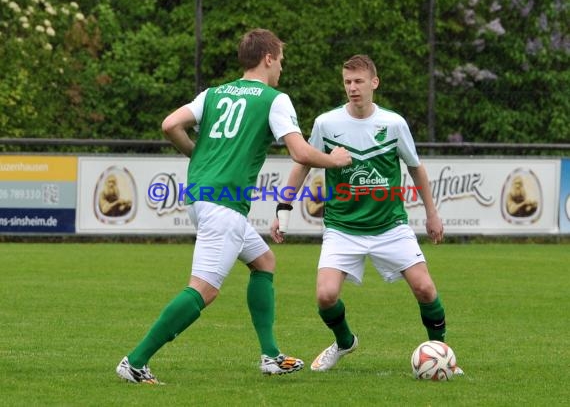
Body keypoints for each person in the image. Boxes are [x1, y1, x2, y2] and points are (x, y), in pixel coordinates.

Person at [115, 28, 352, 384]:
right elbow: (300, 152)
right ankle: (134, 362)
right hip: (222, 205)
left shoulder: (214, 94)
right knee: (204, 289)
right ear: (268, 58)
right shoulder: (273, 98)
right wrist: (334, 160)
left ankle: (271, 356)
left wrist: (198, 154)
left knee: (264, 262)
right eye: (281, 61)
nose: (282, 69)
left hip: (201, 197)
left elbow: (170, 125)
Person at [271, 54, 463, 374]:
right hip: (343, 227)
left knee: (426, 289)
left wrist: (432, 214)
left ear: (374, 83)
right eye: (347, 82)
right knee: (325, 296)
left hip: (390, 226)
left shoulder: (393, 123)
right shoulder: (326, 123)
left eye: (359, 81)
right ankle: (345, 342)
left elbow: (416, 169)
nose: (352, 88)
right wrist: (283, 209)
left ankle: (442, 353)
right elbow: (302, 163)